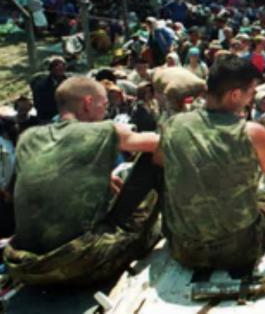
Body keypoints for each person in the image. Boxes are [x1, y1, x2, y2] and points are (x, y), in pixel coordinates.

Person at [3, 77, 161, 285]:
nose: (106, 112)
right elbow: (164, 143)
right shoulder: (105, 129)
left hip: (26, 266)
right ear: (88, 103)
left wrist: (100, 177)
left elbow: (12, 193)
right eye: (104, 105)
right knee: (153, 160)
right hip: (82, 263)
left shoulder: (28, 138)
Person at [158, 55, 265, 270]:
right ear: (235, 95)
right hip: (238, 251)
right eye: (251, 94)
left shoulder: (172, 125)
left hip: (185, 250)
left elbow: (160, 162)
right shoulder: (251, 132)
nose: (251, 100)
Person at [30, 56, 68, 122]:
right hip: (48, 118)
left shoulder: (70, 82)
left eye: (62, 65)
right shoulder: (41, 85)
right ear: (50, 68)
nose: (60, 66)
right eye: (56, 65)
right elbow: (39, 105)